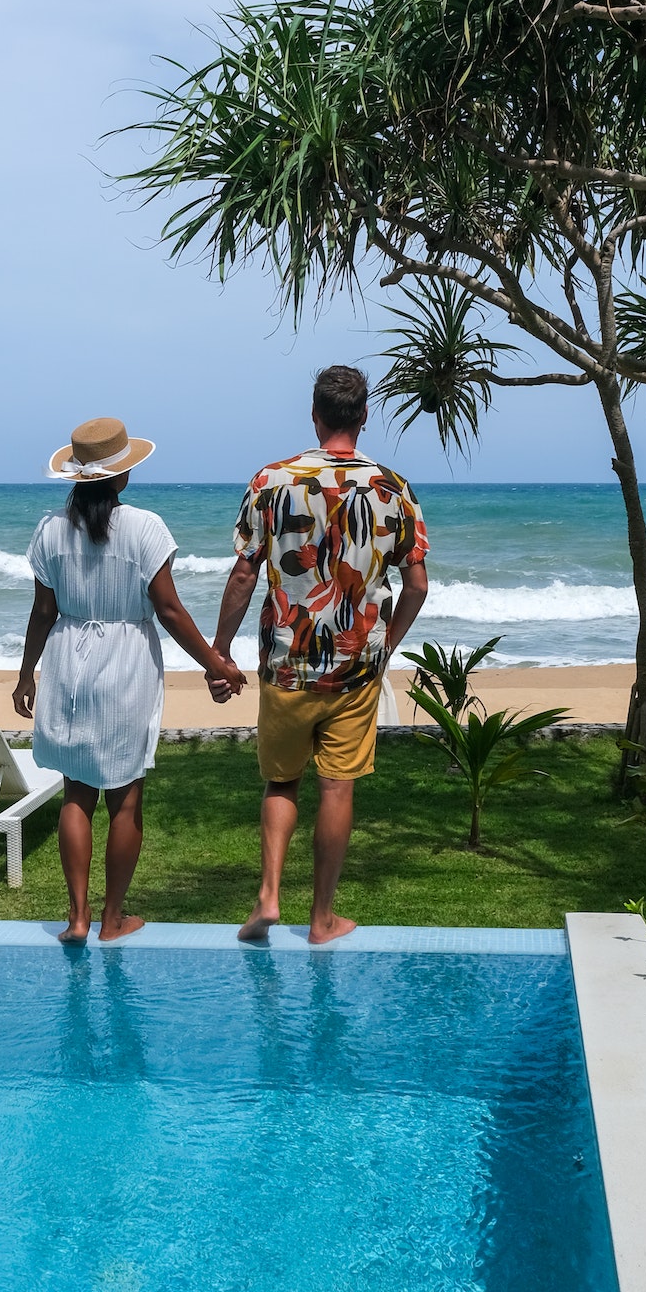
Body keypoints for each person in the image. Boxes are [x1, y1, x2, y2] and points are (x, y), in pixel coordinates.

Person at [209, 366, 429, 945]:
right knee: (338, 787)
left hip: (286, 662)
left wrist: (219, 651)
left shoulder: (272, 480)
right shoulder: (393, 488)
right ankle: (322, 919)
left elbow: (242, 574)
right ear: (362, 416)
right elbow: (418, 586)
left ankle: (268, 897)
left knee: (281, 785)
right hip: (356, 670)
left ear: (314, 415)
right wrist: (385, 645)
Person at [14, 416, 244, 944]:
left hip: (68, 661)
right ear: (121, 475)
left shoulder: (50, 529)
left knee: (76, 794)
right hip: (126, 665)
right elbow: (168, 609)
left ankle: (76, 918)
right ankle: (112, 919)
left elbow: (41, 613)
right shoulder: (145, 528)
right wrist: (215, 662)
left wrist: (27, 674)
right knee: (125, 798)